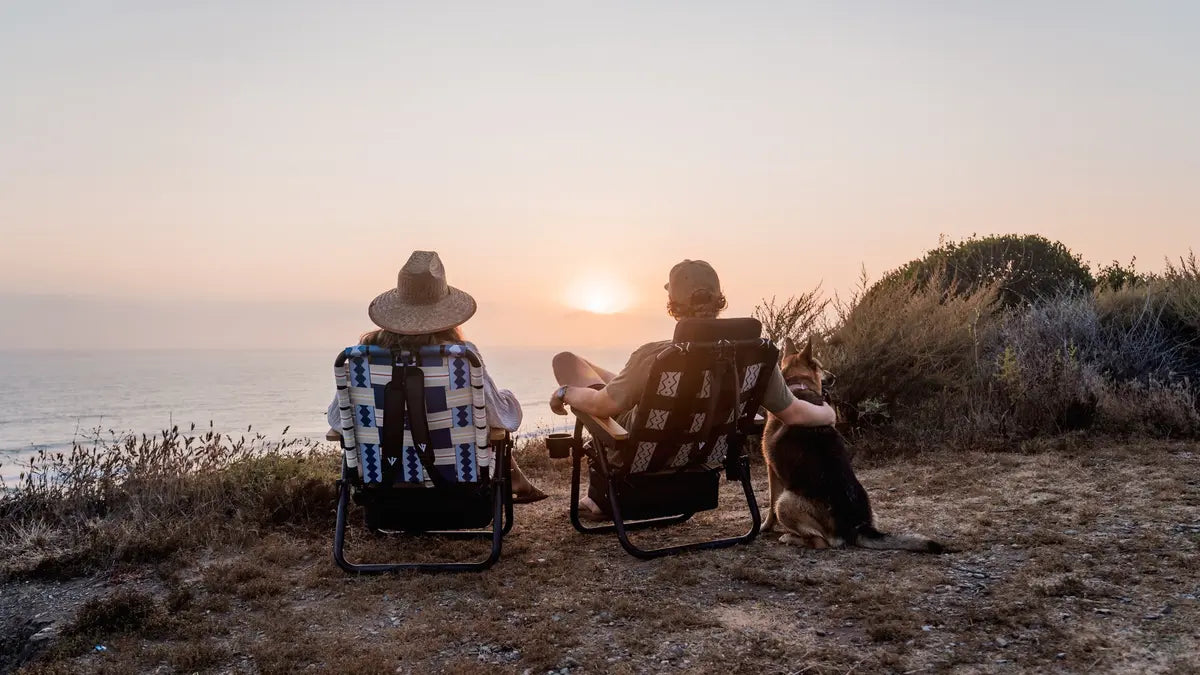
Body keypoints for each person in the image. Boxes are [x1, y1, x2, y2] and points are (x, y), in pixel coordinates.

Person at [549, 259, 836, 518]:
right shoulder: (756, 355)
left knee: (566, 362)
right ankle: (591, 369)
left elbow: (601, 407)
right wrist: (828, 414)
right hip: (700, 453)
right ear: (719, 300)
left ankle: (596, 498)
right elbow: (795, 413)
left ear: (673, 304)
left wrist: (565, 393)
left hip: (641, 448)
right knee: (592, 369)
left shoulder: (657, 356)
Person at [328, 250, 546, 503]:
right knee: (483, 420)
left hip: (384, 482)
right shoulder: (461, 358)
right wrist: (508, 400)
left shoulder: (362, 360)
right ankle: (519, 482)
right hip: (456, 478)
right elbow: (502, 418)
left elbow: (337, 420)